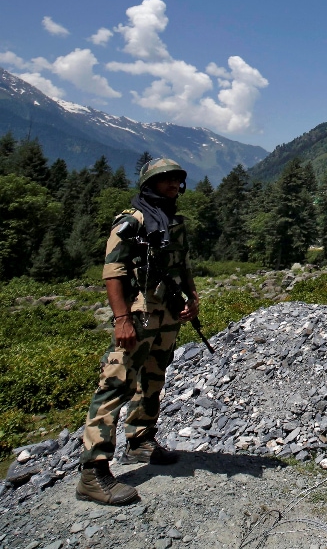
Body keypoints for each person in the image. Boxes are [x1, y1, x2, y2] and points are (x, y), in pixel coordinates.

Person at [77, 158, 201, 506]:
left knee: (153, 377)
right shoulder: (131, 221)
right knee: (116, 382)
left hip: (167, 313)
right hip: (138, 314)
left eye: (176, 180)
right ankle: (92, 472)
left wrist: (192, 298)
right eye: (165, 180)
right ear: (149, 184)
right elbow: (113, 271)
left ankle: (140, 440)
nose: (172, 185)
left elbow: (182, 264)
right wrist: (121, 319)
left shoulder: (174, 221)